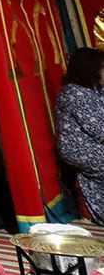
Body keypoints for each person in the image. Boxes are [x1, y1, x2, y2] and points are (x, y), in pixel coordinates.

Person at [58, 46, 104, 217]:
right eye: (102, 68)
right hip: (81, 149)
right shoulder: (74, 93)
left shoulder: (95, 89)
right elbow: (100, 130)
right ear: (89, 70)